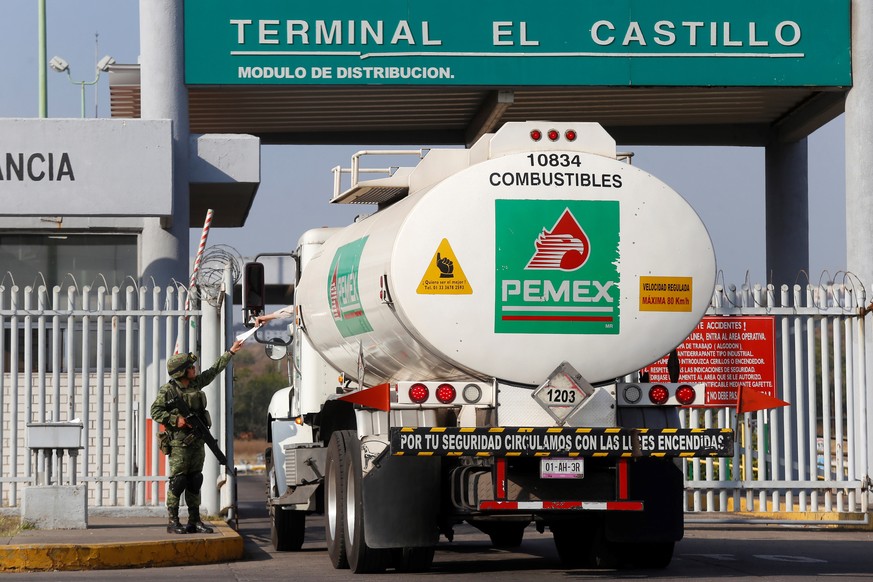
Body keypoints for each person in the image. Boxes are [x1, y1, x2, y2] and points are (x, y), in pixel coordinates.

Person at [151, 339, 244, 534]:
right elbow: (155, 411)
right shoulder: (168, 390)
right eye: (191, 367)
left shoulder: (195, 383)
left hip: (197, 442)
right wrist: (176, 420)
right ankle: (173, 521)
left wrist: (231, 352)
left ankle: (194, 520)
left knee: (195, 480)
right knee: (178, 482)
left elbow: (213, 371)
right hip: (179, 444)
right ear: (181, 371)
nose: (194, 369)